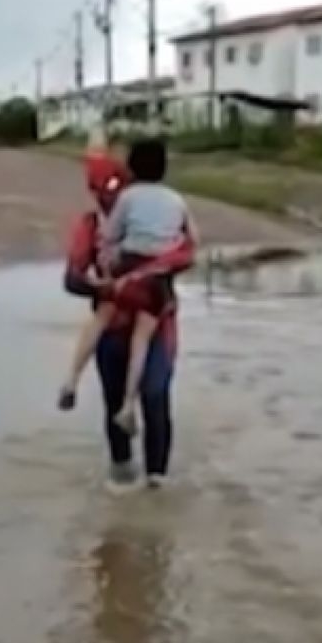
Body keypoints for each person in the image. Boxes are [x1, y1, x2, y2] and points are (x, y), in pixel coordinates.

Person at [63, 136, 196, 490]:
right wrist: (103, 287)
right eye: (103, 191)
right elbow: (71, 279)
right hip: (113, 328)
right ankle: (121, 476)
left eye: (114, 189)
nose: (109, 197)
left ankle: (157, 481)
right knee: (114, 403)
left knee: (154, 395)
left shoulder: (136, 216)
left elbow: (188, 254)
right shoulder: (89, 227)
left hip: (157, 324)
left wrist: (144, 272)